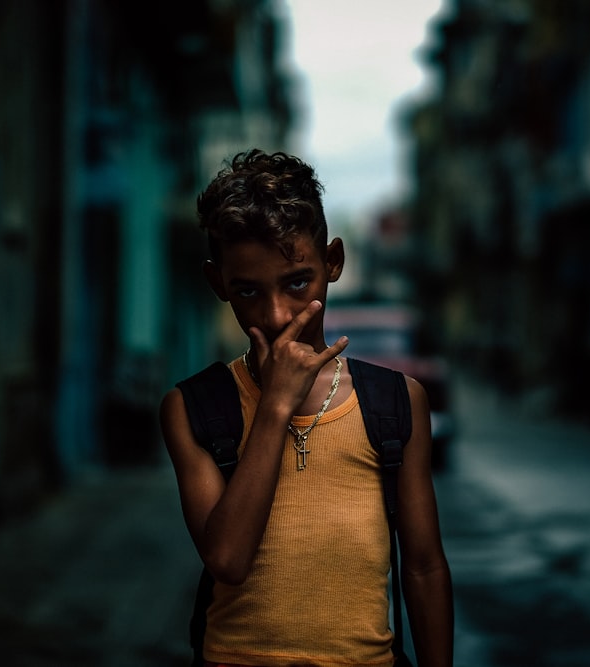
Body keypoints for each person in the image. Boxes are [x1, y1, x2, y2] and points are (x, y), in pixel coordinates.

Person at [160, 150, 454, 667]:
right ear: (218, 285)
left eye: (298, 282)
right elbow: (226, 558)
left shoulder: (395, 402)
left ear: (333, 263)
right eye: (247, 291)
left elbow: (425, 568)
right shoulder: (193, 408)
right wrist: (274, 407)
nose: (277, 314)